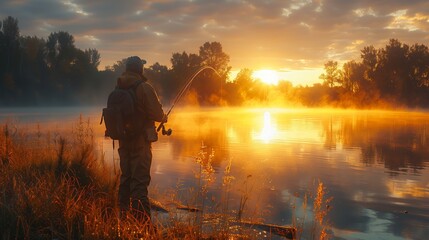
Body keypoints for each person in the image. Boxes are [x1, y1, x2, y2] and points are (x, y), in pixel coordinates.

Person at [116, 56, 166, 222]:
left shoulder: (119, 87)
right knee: (139, 183)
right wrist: (163, 117)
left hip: (123, 141)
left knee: (125, 179)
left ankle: (122, 220)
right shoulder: (144, 87)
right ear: (139, 69)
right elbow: (158, 115)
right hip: (140, 143)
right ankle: (142, 226)